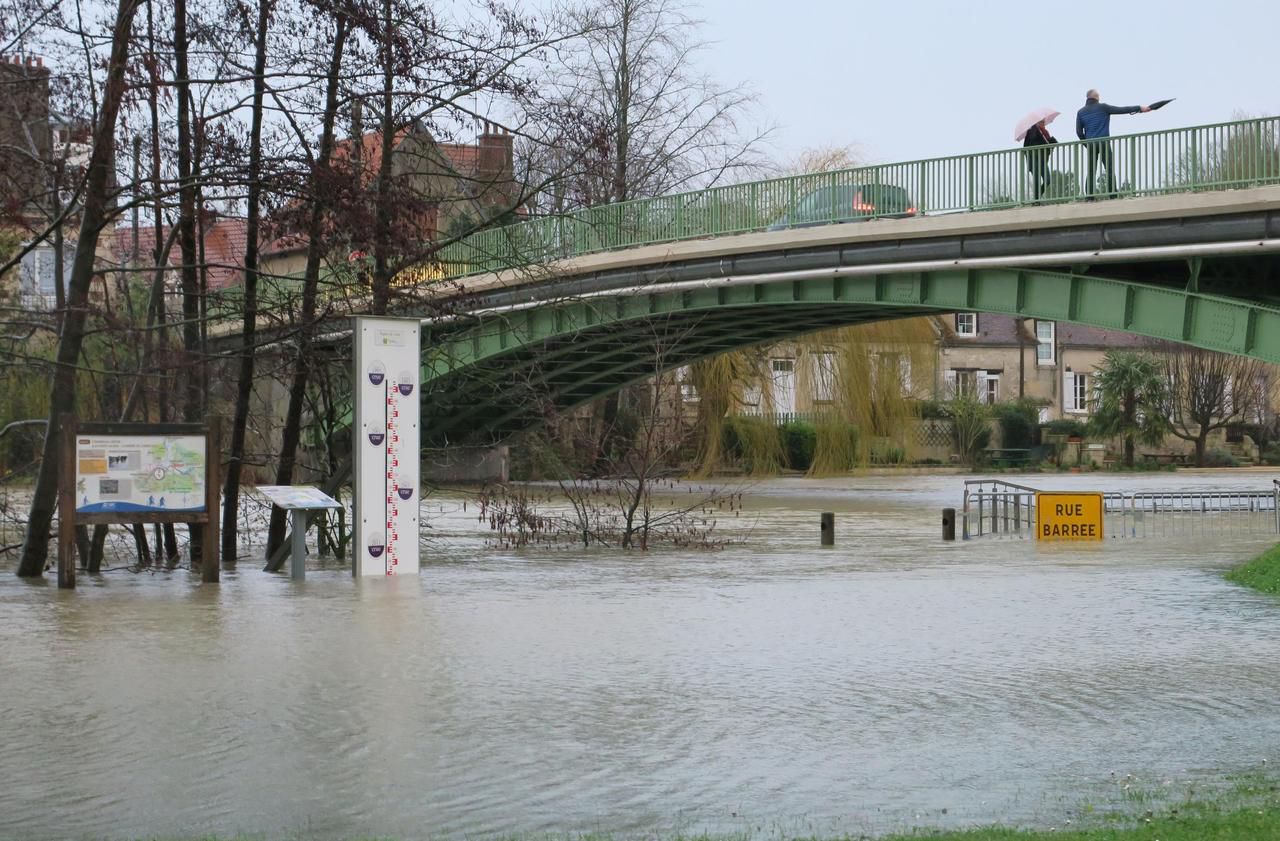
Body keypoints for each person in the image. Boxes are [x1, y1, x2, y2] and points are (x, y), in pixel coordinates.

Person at [1076, 89, 1151, 198]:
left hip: (1091, 143)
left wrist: (1087, 144)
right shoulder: (1103, 107)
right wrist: (1139, 108)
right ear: (1097, 97)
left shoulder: (1081, 112)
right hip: (1103, 142)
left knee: (1091, 170)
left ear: (1087, 98)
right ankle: (1112, 194)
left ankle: (1090, 196)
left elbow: (1079, 132)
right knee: (1109, 169)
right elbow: (1122, 110)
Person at [1022, 119, 1057, 200]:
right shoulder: (1031, 131)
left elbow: (1048, 147)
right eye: (1041, 122)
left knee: (1047, 180)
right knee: (1037, 180)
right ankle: (1036, 200)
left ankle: (1037, 197)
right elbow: (1026, 147)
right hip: (1034, 160)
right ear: (1037, 122)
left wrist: (1052, 142)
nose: (1043, 123)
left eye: (1044, 122)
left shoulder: (1045, 132)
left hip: (1043, 160)